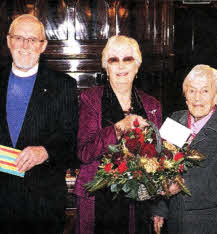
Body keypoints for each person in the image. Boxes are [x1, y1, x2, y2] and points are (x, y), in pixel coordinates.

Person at [0, 14, 78, 234]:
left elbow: (72, 142)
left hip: (44, 206)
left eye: (33, 40)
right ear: (9, 41)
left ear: (43, 45)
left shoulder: (64, 85)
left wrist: (45, 152)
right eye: (19, 38)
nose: (25, 45)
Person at [73, 35, 162, 234]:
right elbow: (84, 152)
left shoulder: (152, 105)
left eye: (127, 59)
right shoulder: (90, 99)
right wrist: (119, 128)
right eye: (114, 60)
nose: (121, 66)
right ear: (106, 67)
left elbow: (157, 158)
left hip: (138, 202)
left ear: (137, 66)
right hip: (97, 199)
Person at [152, 64, 217, 234]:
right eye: (192, 91)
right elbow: (162, 169)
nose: (197, 98)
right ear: (185, 95)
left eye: (205, 91)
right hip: (176, 222)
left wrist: (183, 186)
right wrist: (161, 209)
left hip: (212, 224)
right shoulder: (175, 119)